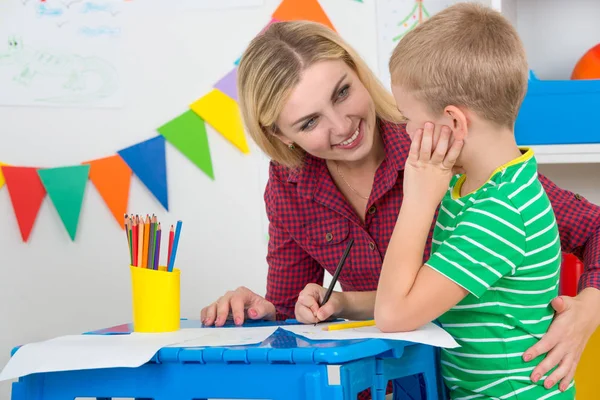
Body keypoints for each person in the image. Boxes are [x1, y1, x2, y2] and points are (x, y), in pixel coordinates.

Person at [200, 18, 600, 395]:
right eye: (309, 123)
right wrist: (264, 311)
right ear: (280, 136)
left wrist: (590, 307)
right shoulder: (290, 186)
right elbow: (297, 318)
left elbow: (590, 226)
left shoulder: (435, 143)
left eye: (342, 93)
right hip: (383, 386)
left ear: (358, 72)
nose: (342, 127)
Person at [371, 3, 575, 398]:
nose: (406, 130)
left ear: (452, 123)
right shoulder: (478, 189)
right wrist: (345, 303)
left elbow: (394, 315)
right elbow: (431, 291)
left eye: (408, 117)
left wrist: (417, 200)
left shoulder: (500, 213)